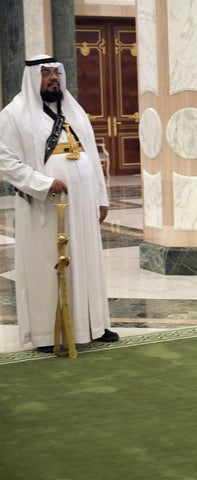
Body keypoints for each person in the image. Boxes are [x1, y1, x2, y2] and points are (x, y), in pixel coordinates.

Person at [0, 55, 118, 352]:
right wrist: (44, 184)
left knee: (87, 262)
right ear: (31, 78)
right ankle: (46, 334)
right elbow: (6, 161)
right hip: (45, 208)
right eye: (45, 73)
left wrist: (100, 198)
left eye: (56, 72)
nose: (53, 78)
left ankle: (93, 324)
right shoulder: (14, 114)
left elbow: (91, 155)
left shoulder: (74, 111)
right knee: (48, 267)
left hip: (81, 204)